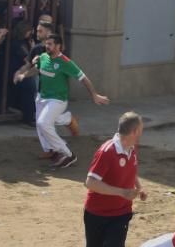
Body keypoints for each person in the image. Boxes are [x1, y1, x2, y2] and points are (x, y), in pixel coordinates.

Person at [81, 112, 146, 247]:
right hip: (96, 213)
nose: (142, 133)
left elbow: (132, 170)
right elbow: (90, 182)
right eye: (141, 130)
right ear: (134, 131)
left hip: (121, 213)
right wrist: (121, 192)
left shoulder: (131, 148)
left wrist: (138, 187)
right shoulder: (107, 151)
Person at [14, 33, 109, 169]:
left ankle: (67, 154)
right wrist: (24, 75)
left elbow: (83, 78)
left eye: (50, 44)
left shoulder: (65, 62)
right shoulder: (43, 57)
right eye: (46, 44)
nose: (47, 46)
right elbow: (37, 69)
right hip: (42, 97)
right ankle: (54, 144)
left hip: (57, 100)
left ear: (58, 46)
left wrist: (94, 95)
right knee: (42, 125)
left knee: (43, 123)